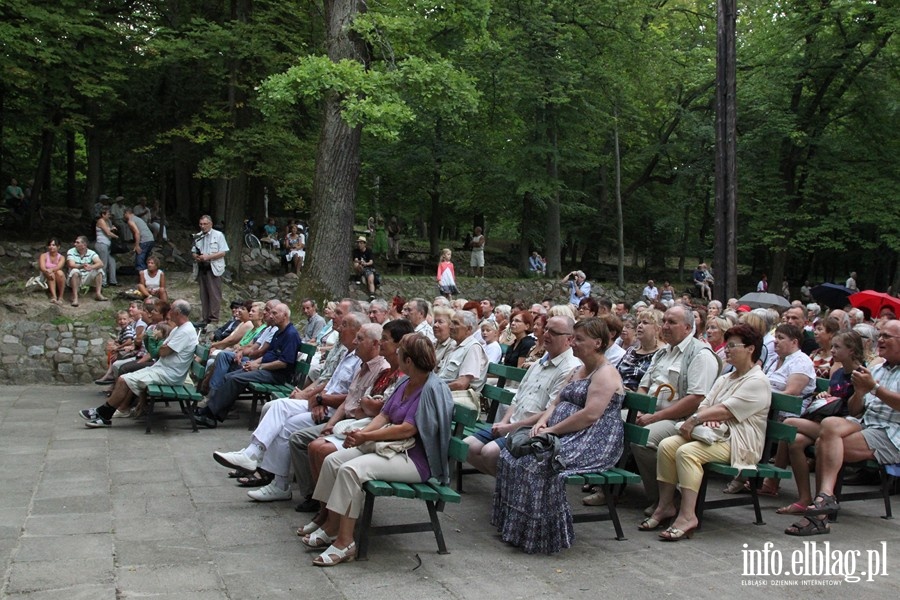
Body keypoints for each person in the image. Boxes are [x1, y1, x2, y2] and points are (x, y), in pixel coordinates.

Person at [298, 333, 453, 566]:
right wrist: (361, 435)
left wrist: (366, 436)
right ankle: (331, 524)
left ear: (408, 360)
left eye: (400, 353)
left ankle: (345, 542)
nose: (396, 356)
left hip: (414, 459)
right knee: (333, 461)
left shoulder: (431, 389)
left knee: (351, 470)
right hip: (391, 448)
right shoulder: (405, 381)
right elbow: (385, 414)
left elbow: (407, 430)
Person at [491, 318, 625, 554]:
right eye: (573, 338)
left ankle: (542, 535)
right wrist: (543, 422)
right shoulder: (577, 370)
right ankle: (515, 528)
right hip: (564, 432)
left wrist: (552, 430)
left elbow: (590, 415)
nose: (573, 343)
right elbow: (557, 401)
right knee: (511, 456)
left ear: (597, 343)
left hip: (592, 440)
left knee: (537, 464)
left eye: (579, 339)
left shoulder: (606, 373)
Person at [641, 324, 772, 540]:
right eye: (726, 346)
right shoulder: (725, 378)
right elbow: (705, 405)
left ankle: (687, 515)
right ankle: (665, 505)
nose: (727, 350)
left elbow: (724, 409)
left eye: (733, 346)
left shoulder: (757, 381)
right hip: (714, 435)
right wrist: (705, 417)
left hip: (741, 443)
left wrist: (700, 418)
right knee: (667, 445)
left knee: (687, 452)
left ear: (750, 349)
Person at [783, 320, 900, 536]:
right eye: (879, 335)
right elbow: (856, 410)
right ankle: (823, 501)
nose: (880, 340)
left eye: (886, 336)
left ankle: (819, 513)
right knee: (828, 426)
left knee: (822, 444)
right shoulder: (877, 368)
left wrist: (873, 387)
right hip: (865, 422)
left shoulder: (875, 374)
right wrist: (860, 392)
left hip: (891, 432)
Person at [632, 305, 721, 513]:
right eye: (664, 321)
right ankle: (607, 488)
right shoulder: (663, 351)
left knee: (642, 438)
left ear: (688, 327)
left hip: (682, 420)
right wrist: (641, 409)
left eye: (672, 322)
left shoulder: (701, 354)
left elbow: (696, 399)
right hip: (652, 413)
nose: (665, 326)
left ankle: (666, 499)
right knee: (610, 422)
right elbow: (644, 385)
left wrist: (654, 417)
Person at [465, 315, 581, 476]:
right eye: (546, 329)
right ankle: (509, 485)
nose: (546, 334)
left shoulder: (570, 369)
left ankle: (512, 488)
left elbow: (550, 412)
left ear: (569, 339)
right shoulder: (539, 363)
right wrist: (504, 422)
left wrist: (510, 427)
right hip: (512, 424)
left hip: (531, 432)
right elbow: (518, 397)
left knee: (489, 453)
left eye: (553, 332)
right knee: (467, 446)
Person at [773, 330, 863, 516]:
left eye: (837, 347)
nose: (833, 350)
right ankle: (805, 499)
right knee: (796, 440)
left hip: (848, 426)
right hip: (826, 421)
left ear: (852, 350)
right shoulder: (837, 373)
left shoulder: (861, 374)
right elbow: (832, 397)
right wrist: (825, 395)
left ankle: (819, 498)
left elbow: (857, 410)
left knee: (789, 422)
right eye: (833, 346)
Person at [79, 300, 199, 427]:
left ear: (177, 312)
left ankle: (103, 414)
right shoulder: (178, 329)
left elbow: (162, 351)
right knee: (123, 378)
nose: (169, 312)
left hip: (169, 375)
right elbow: (162, 348)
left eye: (171, 309)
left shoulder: (185, 331)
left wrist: (162, 347)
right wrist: (163, 347)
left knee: (124, 380)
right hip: (161, 369)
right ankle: (103, 414)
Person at [194, 303, 300, 427]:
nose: (271, 316)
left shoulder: (291, 335)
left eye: (275, 313)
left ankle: (210, 413)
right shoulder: (279, 332)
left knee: (235, 378)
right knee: (229, 376)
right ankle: (213, 414)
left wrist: (259, 366)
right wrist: (254, 363)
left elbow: (283, 363)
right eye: (271, 313)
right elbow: (268, 355)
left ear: (285, 315)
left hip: (277, 374)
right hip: (266, 369)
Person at [192, 215, 229, 325]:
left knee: (214, 294)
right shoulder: (197, 236)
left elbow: (223, 252)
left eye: (205, 224)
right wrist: (196, 257)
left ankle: (214, 319)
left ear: (211, 224)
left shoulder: (218, 235)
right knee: (203, 294)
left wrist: (208, 257)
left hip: (214, 267)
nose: (202, 226)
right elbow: (193, 251)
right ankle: (205, 318)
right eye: (201, 224)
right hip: (202, 268)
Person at [617, 309, 663, 392]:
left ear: (657, 329)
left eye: (645, 323)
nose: (640, 326)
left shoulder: (661, 354)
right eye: (639, 322)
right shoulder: (631, 351)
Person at [66, 236, 107, 307]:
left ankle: (98, 294)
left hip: (86, 277)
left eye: (77, 242)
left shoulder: (91, 253)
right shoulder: (71, 251)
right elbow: (71, 264)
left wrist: (91, 267)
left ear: (84, 245)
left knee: (99, 270)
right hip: (75, 277)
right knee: (75, 271)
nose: (75, 244)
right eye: (75, 242)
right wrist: (82, 266)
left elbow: (100, 263)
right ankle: (75, 298)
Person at [94, 206, 119, 287]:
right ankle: (103, 282)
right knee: (103, 264)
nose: (109, 215)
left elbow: (108, 230)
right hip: (102, 244)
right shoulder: (101, 221)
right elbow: (108, 233)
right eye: (108, 214)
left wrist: (112, 228)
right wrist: (116, 237)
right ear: (103, 214)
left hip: (108, 245)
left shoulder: (107, 221)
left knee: (112, 262)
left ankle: (113, 281)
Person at [123, 208, 155, 272]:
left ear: (127, 213)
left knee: (140, 262)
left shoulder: (130, 221)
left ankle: (143, 279)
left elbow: (137, 232)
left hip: (144, 240)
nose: (123, 216)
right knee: (145, 260)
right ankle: (148, 276)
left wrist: (137, 245)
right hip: (151, 239)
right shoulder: (137, 218)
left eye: (124, 214)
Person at [39, 238, 67, 305]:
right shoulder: (43, 256)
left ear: (58, 247)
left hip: (56, 273)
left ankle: (61, 297)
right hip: (45, 274)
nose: (51, 247)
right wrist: (47, 271)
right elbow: (42, 267)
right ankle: (54, 296)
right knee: (51, 275)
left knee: (60, 273)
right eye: (50, 245)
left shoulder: (62, 257)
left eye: (54, 245)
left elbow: (59, 267)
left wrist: (51, 270)